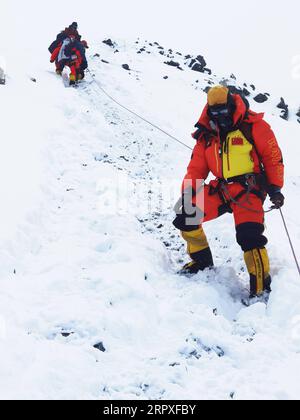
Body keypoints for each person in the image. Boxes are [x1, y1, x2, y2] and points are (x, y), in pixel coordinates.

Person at [173, 85, 285, 299]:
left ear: (232, 105)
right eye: (216, 113)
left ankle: (261, 286)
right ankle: (201, 261)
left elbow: (273, 157)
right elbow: (196, 169)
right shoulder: (206, 134)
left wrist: (275, 188)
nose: (220, 117)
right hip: (222, 189)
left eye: (224, 111)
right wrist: (188, 193)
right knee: (186, 216)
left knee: (249, 235)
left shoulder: (254, 125)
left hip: (248, 190)